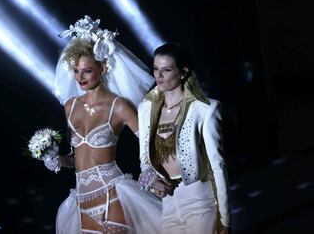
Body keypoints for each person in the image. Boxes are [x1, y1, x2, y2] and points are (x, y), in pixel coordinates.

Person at [43, 16, 161, 233]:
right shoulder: (70, 106)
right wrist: (60, 160)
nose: (80, 77)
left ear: (103, 68)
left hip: (113, 195)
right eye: (76, 71)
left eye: (87, 70)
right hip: (81, 203)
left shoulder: (119, 107)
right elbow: (77, 157)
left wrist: (148, 169)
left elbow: (149, 142)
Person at [137, 43, 231, 234]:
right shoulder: (146, 108)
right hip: (168, 201)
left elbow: (217, 165)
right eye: (155, 68)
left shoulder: (205, 109)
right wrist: (152, 179)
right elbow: (145, 159)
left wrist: (226, 219)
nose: (159, 75)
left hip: (200, 199)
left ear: (183, 72)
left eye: (166, 69)